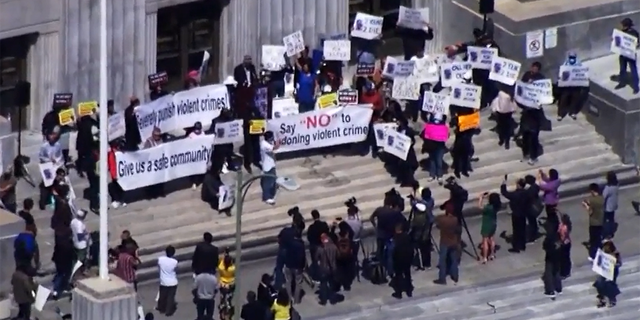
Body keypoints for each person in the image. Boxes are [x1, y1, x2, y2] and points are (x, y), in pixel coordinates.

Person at [370, 192, 406, 278]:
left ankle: (381, 271)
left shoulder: (379, 210)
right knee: (390, 255)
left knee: (380, 252)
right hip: (390, 235)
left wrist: (375, 227)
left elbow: (371, 218)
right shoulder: (393, 212)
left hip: (380, 234)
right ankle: (390, 272)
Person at [433, 203, 460, 285]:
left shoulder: (442, 219)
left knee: (442, 260)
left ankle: (442, 278)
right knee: (453, 260)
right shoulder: (455, 220)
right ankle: (455, 276)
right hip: (453, 241)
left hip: (444, 242)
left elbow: (437, 224)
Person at [500, 178, 530, 253]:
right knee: (522, 230)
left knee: (516, 231)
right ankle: (522, 245)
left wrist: (503, 184)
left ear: (519, 185)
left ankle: (516, 247)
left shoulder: (515, 194)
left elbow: (505, 193)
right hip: (523, 213)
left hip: (516, 214)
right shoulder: (526, 193)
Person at [557, 52, 589, 120]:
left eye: (573, 58)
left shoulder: (579, 64)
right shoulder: (566, 63)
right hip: (567, 86)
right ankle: (560, 114)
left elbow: (582, 73)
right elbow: (562, 73)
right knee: (563, 100)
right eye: (571, 57)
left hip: (576, 86)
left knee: (575, 99)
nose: (572, 59)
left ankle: (572, 112)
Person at [38, 127, 64, 210]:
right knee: (46, 185)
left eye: (54, 135)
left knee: (56, 184)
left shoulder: (58, 145)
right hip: (47, 167)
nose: (52, 136)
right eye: (51, 134)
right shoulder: (44, 146)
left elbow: (60, 156)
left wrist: (57, 162)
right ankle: (43, 202)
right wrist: (49, 160)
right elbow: (41, 157)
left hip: (55, 166)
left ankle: (55, 201)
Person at [409, 188, 434, 270]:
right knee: (426, 240)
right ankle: (426, 262)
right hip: (429, 221)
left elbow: (416, 205)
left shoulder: (424, 204)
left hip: (423, 223)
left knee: (421, 243)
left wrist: (413, 200)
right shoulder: (431, 201)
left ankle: (422, 262)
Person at [614, 18, 639, 94]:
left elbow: (638, 42)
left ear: (626, 26)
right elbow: (617, 41)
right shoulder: (621, 32)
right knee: (622, 69)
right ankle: (622, 83)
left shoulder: (634, 33)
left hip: (630, 54)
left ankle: (636, 87)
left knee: (633, 70)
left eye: (623, 25)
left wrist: (635, 45)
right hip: (623, 54)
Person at [594, 240, 622, 307]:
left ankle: (612, 299)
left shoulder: (616, 254)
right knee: (600, 284)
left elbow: (619, 263)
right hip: (604, 272)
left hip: (612, 273)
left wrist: (615, 263)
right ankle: (602, 299)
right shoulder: (603, 254)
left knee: (610, 285)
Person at [490, 85, 517, 149]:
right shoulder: (504, 93)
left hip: (505, 112)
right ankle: (504, 141)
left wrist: (494, 108)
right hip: (504, 112)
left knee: (504, 127)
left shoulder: (503, 93)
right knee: (503, 127)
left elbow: (497, 101)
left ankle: (504, 141)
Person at [391, 223, 414, 298]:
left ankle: (398, 292)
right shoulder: (407, 236)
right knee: (407, 274)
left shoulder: (395, 238)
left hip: (398, 259)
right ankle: (409, 291)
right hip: (407, 258)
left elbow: (393, 249)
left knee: (398, 275)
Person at [284, 228, 305, 304]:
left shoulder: (289, 242)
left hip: (289, 265)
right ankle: (296, 300)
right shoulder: (300, 244)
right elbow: (302, 256)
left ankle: (289, 299)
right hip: (297, 266)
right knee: (298, 283)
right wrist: (302, 266)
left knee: (288, 282)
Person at [51, 228, 74, 299]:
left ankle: (61, 287)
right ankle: (56, 289)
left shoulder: (60, 242)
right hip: (65, 261)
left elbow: (56, 251)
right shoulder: (68, 244)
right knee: (62, 274)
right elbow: (70, 253)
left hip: (58, 260)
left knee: (60, 273)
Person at [143, 127, 166, 199]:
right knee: (152, 180)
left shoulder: (161, 140)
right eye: (156, 135)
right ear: (153, 134)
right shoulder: (149, 141)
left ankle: (160, 192)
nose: (157, 137)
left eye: (158, 135)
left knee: (160, 179)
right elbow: (145, 152)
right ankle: (151, 193)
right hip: (151, 163)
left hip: (159, 162)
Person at [307, 209, 330, 279]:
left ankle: (316, 274)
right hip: (324, 245)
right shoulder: (324, 225)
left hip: (316, 246)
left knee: (315, 261)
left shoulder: (311, 227)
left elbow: (309, 238)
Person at [315, 233, 337, 305]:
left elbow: (316, 258)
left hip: (324, 269)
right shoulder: (334, 247)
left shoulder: (320, 249)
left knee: (323, 284)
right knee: (332, 283)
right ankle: (333, 299)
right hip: (333, 268)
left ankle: (323, 300)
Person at [584, 183, 604, 260]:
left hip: (594, 223)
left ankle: (593, 256)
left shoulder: (592, 200)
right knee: (599, 239)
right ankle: (601, 253)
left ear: (592, 191)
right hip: (601, 221)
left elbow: (590, 212)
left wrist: (586, 206)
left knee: (593, 241)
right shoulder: (602, 198)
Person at [479, 192, 500, 263]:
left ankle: (485, 257)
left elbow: (480, 207)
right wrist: (488, 197)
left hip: (486, 224)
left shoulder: (488, 207)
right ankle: (492, 254)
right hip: (493, 224)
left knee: (485, 241)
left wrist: (481, 198)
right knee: (492, 239)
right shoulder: (496, 206)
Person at [542, 225, 563, 298]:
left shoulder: (549, 238)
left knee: (549, 274)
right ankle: (558, 288)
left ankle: (550, 290)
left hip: (550, 258)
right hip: (557, 257)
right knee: (556, 273)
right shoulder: (558, 236)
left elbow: (545, 246)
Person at [157, 245, 178, 316]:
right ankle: (168, 311)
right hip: (172, 281)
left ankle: (162, 308)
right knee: (170, 297)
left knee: (162, 295)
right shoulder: (174, 262)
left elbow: (159, 267)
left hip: (163, 281)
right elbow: (176, 269)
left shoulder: (161, 259)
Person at [260, 131, 279, 205]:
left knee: (273, 180)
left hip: (272, 164)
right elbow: (274, 148)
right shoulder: (264, 144)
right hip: (267, 166)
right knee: (267, 182)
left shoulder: (268, 143)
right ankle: (266, 197)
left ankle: (271, 195)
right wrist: (279, 142)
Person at [218, 249, 236, 318]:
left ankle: (222, 306)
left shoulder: (221, 267)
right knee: (229, 297)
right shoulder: (232, 268)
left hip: (223, 283)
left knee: (222, 296)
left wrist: (225, 256)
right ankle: (229, 306)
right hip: (231, 283)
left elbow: (222, 262)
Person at [70, 209, 89, 275]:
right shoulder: (80, 224)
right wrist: (86, 234)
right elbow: (80, 236)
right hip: (81, 244)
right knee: (82, 258)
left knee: (75, 258)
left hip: (74, 242)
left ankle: (76, 269)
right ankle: (80, 271)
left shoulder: (73, 221)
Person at [602, 171, 619, 239]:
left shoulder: (608, 188)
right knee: (611, 219)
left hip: (607, 207)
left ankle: (606, 233)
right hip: (614, 205)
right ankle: (611, 232)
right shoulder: (617, 184)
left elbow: (603, 196)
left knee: (605, 221)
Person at [558, 213, 572, 279]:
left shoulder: (565, 227)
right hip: (566, 243)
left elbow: (563, 237)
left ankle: (565, 272)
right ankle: (565, 271)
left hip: (565, 244)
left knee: (564, 258)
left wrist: (560, 242)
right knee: (565, 258)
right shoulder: (563, 225)